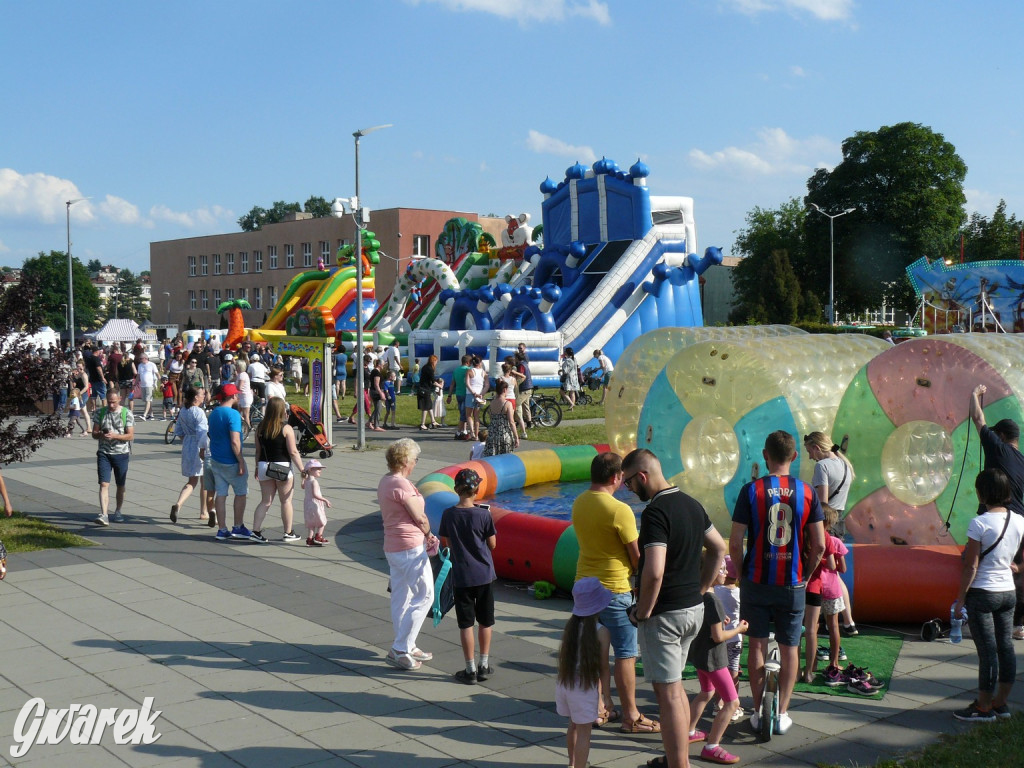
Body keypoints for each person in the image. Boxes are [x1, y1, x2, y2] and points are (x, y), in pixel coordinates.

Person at [623, 448, 727, 768]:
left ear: (642, 476)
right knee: (676, 689)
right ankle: (677, 760)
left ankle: (679, 764)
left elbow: (654, 571)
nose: (629, 489)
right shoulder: (692, 504)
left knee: (667, 696)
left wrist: (643, 611)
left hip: (664, 617)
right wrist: (702, 589)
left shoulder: (655, 513)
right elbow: (718, 547)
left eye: (629, 482)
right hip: (693, 610)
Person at [729, 431, 825, 737]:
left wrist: (742, 574)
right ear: (794, 457)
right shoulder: (806, 491)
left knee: (756, 644)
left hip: (757, 580)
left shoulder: (751, 490)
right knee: (789, 647)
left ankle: (759, 711)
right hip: (793, 583)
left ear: (765, 455)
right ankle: (782, 712)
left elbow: (735, 542)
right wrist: (806, 576)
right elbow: (820, 545)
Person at [571, 452, 657, 735]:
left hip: (584, 586)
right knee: (625, 654)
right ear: (616, 477)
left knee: (594, 652)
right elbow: (636, 556)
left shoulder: (580, 502)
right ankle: (631, 715)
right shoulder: (619, 510)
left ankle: (597, 708)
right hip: (614, 588)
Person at [952, 468, 1024, 721]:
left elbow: (971, 566)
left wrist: (961, 599)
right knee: (1005, 647)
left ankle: (983, 707)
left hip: (983, 594)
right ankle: (1001, 704)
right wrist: (1018, 568)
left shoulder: (979, 523)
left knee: (987, 652)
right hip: (1008, 592)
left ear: (982, 494)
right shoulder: (1019, 520)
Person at [969, 385, 1024, 641]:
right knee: (1016, 571)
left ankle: (977, 615)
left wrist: (974, 395)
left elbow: (978, 418)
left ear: (1001, 435)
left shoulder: (998, 448)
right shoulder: (1022, 460)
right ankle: (1018, 624)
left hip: (994, 518)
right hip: (1018, 522)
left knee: (977, 564)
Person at [378, 438, 437, 670]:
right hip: (409, 547)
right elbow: (419, 517)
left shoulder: (386, 481)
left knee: (401, 597)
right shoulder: (401, 485)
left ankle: (407, 644)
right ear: (404, 461)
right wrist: (430, 535)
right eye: (414, 459)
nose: (415, 463)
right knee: (425, 595)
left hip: (393, 546)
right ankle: (400, 648)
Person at [438, 468, 497, 684]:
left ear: (456, 489)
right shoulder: (484, 514)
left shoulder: (448, 514)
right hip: (484, 575)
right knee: (485, 622)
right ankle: (484, 665)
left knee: (465, 624)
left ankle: (470, 669)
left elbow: (445, 541)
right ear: (477, 489)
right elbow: (492, 544)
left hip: (461, 576)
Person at [687, 578, 748, 766]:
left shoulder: (697, 592)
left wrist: (721, 621)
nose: (725, 572)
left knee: (706, 692)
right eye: (721, 568)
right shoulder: (713, 599)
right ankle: (712, 746)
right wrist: (739, 629)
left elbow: (708, 623)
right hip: (714, 659)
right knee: (732, 702)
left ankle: (688, 732)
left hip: (700, 655)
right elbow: (718, 636)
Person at [803, 431, 858, 636]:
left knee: (821, 572)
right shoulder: (844, 464)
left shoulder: (822, 466)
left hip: (825, 521)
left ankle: (825, 621)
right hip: (839, 520)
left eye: (810, 451)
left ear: (817, 447)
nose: (810, 457)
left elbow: (822, 502)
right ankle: (848, 622)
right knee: (833, 575)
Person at [556, 577, 612, 768]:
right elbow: (604, 668)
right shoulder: (601, 631)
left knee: (573, 725)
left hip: (566, 684)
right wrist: (607, 696)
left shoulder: (571, 627)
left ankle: (572, 764)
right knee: (584, 733)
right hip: (584, 688)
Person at [251, 397, 305, 543]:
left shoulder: (260, 428)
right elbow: (293, 452)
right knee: (286, 501)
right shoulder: (286, 428)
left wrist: (256, 467)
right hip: (282, 467)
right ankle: (288, 532)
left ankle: (255, 531)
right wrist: (302, 469)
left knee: (265, 501)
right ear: (282, 410)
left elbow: (258, 451)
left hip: (264, 465)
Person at [207, 383, 250, 541]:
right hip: (231, 460)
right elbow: (235, 441)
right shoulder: (233, 414)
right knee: (241, 492)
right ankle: (238, 526)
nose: (238, 396)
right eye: (236, 394)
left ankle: (222, 529)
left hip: (216, 459)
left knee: (221, 494)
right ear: (232, 396)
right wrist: (240, 461)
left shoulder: (213, 413)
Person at [816, 505, 851, 686]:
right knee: (834, 626)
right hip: (831, 589)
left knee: (811, 627)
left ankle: (812, 663)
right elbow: (843, 569)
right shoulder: (835, 542)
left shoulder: (809, 538)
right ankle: (834, 662)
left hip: (814, 588)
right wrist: (831, 561)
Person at [92, 391, 135, 526]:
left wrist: (115, 436)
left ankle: (118, 511)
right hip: (104, 452)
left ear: (120, 399)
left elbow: (130, 436)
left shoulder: (126, 413)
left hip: (121, 453)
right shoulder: (100, 413)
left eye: (114, 402)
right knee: (104, 484)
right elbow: (94, 433)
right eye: (109, 402)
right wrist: (100, 434)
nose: (111, 405)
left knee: (120, 485)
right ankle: (104, 514)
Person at [170, 387, 209, 524]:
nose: (204, 396)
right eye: (202, 394)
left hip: (188, 445)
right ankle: (204, 511)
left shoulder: (183, 411)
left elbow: (178, 431)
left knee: (192, 481)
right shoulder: (198, 412)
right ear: (196, 397)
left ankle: (178, 504)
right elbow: (202, 432)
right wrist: (203, 447)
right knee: (205, 481)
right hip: (199, 446)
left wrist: (187, 440)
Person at [483, 380, 519, 456]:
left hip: (492, 433)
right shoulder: (507, 404)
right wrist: (516, 437)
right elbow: (511, 422)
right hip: (504, 433)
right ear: (505, 390)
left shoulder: (492, 403)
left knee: (492, 458)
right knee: (505, 458)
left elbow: (491, 417)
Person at [302, 459, 331, 547]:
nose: (320, 470)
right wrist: (325, 500)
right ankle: (319, 536)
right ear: (311, 470)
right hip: (315, 504)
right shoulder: (314, 482)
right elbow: (315, 495)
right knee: (322, 522)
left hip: (307, 504)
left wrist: (303, 478)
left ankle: (309, 539)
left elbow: (303, 486)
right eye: (318, 469)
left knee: (311, 523)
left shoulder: (306, 480)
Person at [447, 354, 471, 439]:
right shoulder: (469, 370)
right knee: (464, 414)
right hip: (466, 394)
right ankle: (459, 432)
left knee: (462, 412)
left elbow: (452, 384)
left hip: (458, 393)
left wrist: (449, 395)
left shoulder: (456, 370)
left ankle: (464, 430)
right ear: (467, 362)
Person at [465, 355, 486, 440]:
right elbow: (487, 385)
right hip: (480, 395)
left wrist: (473, 392)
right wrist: (482, 393)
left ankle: (472, 433)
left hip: (470, 394)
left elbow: (467, 383)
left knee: (469, 415)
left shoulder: (470, 371)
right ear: (480, 362)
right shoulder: (483, 372)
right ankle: (477, 435)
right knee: (476, 416)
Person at [418, 355, 440, 430]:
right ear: (434, 361)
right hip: (425, 389)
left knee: (429, 406)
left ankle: (433, 421)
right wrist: (440, 385)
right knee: (425, 407)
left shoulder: (425, 367)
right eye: (436, 361)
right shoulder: (430, 369)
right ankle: (422, 424)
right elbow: (433, 381)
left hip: (422, 388)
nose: (436, 363)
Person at [136, 353, 160, 422]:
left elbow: (157, 374)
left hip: (150, 385)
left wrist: (160, 382)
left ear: (145, 358)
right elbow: (138, 375)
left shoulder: (152, 364)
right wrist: (135, 384)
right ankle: (151, 415)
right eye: (139, 359)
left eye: (141, 359)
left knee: (148, 400)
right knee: (147, 401)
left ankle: (144, 415)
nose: (140, 360)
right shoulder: (140, 365)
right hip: (143, 385)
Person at [515, 345, 534, 430]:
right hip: (528, 387)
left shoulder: (521, 365)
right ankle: (529, 423)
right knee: (526, 406)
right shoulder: (524, 364)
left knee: (516, 403)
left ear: (517, 358)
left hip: (524, 388)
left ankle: (517, 421)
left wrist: (515, 383)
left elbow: (521, 376)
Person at [235, 359, 253, 434]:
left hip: (245, 397)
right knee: (238, 413)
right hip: (241, 397)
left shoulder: (242, 375)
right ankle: (240, 427)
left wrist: (233, 387)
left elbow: (240, 387)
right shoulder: (241, 375)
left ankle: (247, 430)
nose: (235, 367)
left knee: (245, 415)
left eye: (237, 366)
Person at [368, 359, 386, 432]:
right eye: (383, 364)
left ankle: (369, 422)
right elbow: (376, 384)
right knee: (378, 408)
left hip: (374, 391)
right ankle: (376, 426)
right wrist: (381, 393)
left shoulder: (374, 371)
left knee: (377, 408)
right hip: (376, 392)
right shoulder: (376, 373)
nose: (383, 366)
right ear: (379, 364)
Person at [333, 345, 348, 420]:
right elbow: (345, 363)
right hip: (343, 369)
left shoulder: (336, 356)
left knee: (337, 383)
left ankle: (337, 394)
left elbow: (334, 363)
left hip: (338, 369)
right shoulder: (345, 356)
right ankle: (343, 394)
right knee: (343, 383)